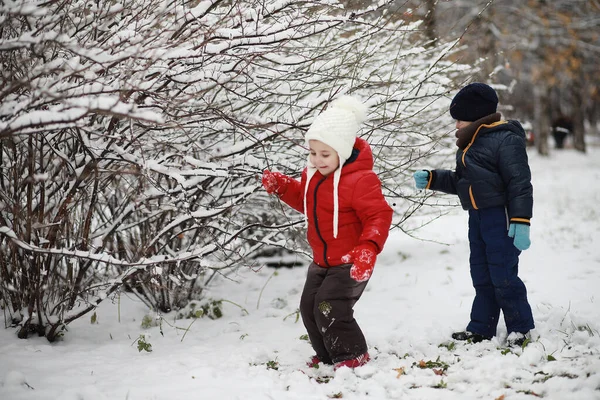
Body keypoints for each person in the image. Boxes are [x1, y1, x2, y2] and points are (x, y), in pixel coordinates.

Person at [262, 96, 393, 369]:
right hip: (321, 260)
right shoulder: (312, 175)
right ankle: (327, 356)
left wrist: (368, 247)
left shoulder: (360, 180)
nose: (317, 160)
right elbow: (307, 202)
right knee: (310, 308)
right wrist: (285, 187)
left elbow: (378, 214)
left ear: (342, 152)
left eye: (325, 154)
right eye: (312, 153)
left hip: (352, 260)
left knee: (330, 306)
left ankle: (352, 354)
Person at [413, 82, 535, 347]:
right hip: (477, 218)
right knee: (481, 274)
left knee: (502, 274)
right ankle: (481, 328)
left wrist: (521, 220)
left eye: (460, 119)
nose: (456, 125)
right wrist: (433, 179)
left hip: (500, 218)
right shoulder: (470, 144)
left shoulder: (505, 139)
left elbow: (519, 183)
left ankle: (520, 328)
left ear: (477, 116)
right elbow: (462, 182)